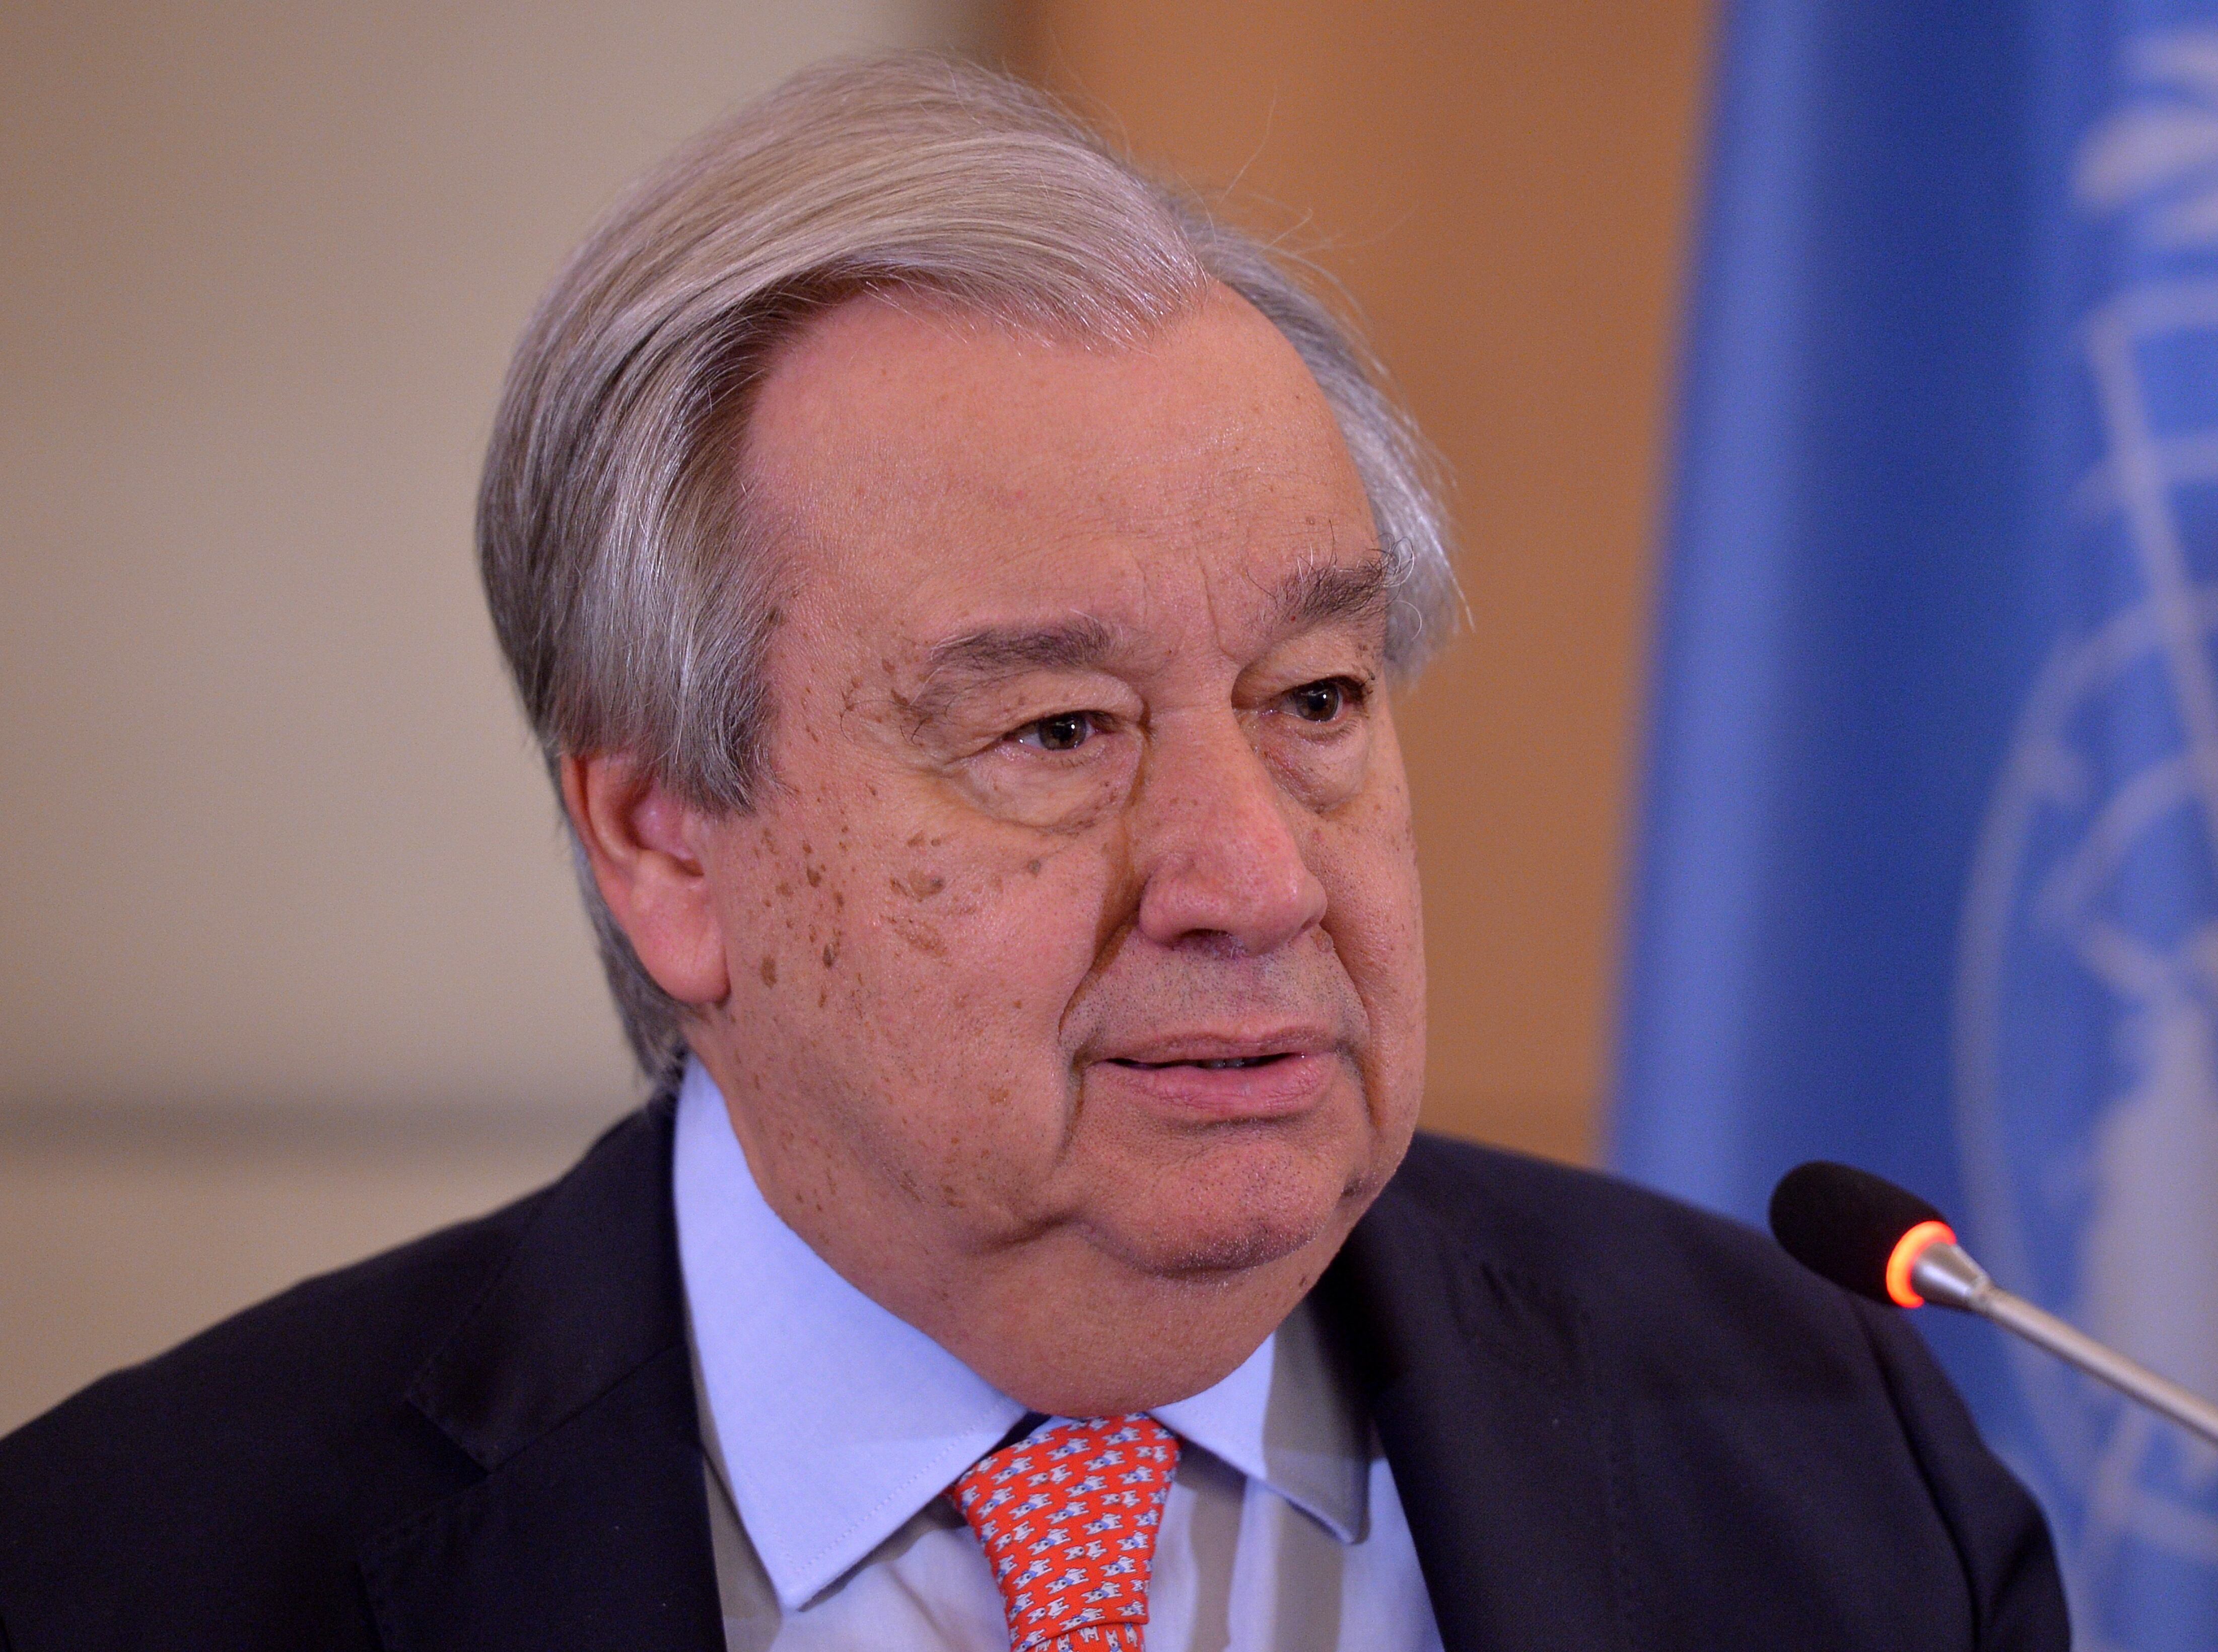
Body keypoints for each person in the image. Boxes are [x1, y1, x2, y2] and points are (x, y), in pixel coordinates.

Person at [0, 56, 2069, 1651]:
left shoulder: (1825, 1454)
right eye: (1057, 732)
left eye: (1315, 698)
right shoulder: (131, 1574)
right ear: (664, 844)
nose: (1255, 879)